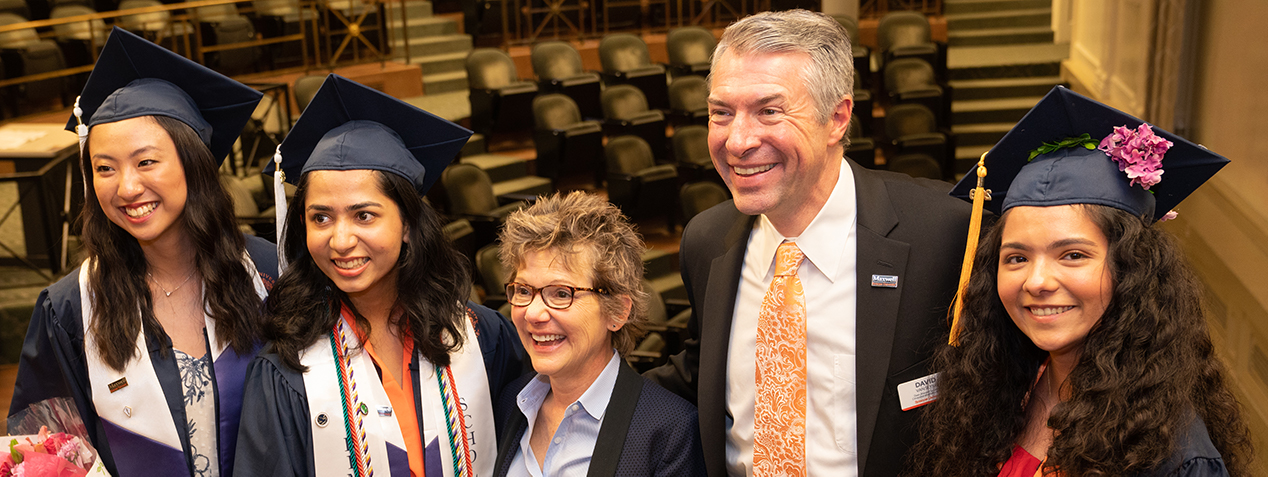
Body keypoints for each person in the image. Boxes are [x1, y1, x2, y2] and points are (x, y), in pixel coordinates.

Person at [643, 9, 973, 477]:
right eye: (721, 113)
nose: (737, 141)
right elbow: (702, 374)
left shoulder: (944, 233)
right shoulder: (706, 241)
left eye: (769, 111)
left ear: (837, 118)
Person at [906, 86, 1254, 476]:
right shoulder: (1002, 392)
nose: (1037, 281)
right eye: (1016, 258)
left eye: (1072, 255)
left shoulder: (1171, 455)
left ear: (1133, 269)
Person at [9, 27, 276, 477]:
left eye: (146, 161)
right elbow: (45, 449)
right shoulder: (72, 307)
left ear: (193, 162)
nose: (127, 187)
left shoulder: (267, 274)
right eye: (104, 168)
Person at [233, 74, 524, 477]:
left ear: (407, 224)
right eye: (321, 217)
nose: (340, 239)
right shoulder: (287, 370)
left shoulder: (481, 336)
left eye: (364, 215)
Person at [491, 192, 706, 477]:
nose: (532, 313)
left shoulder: (670, 433)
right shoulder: (511, 401)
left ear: (617, 311)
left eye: (561, 293)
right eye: (523, 291)